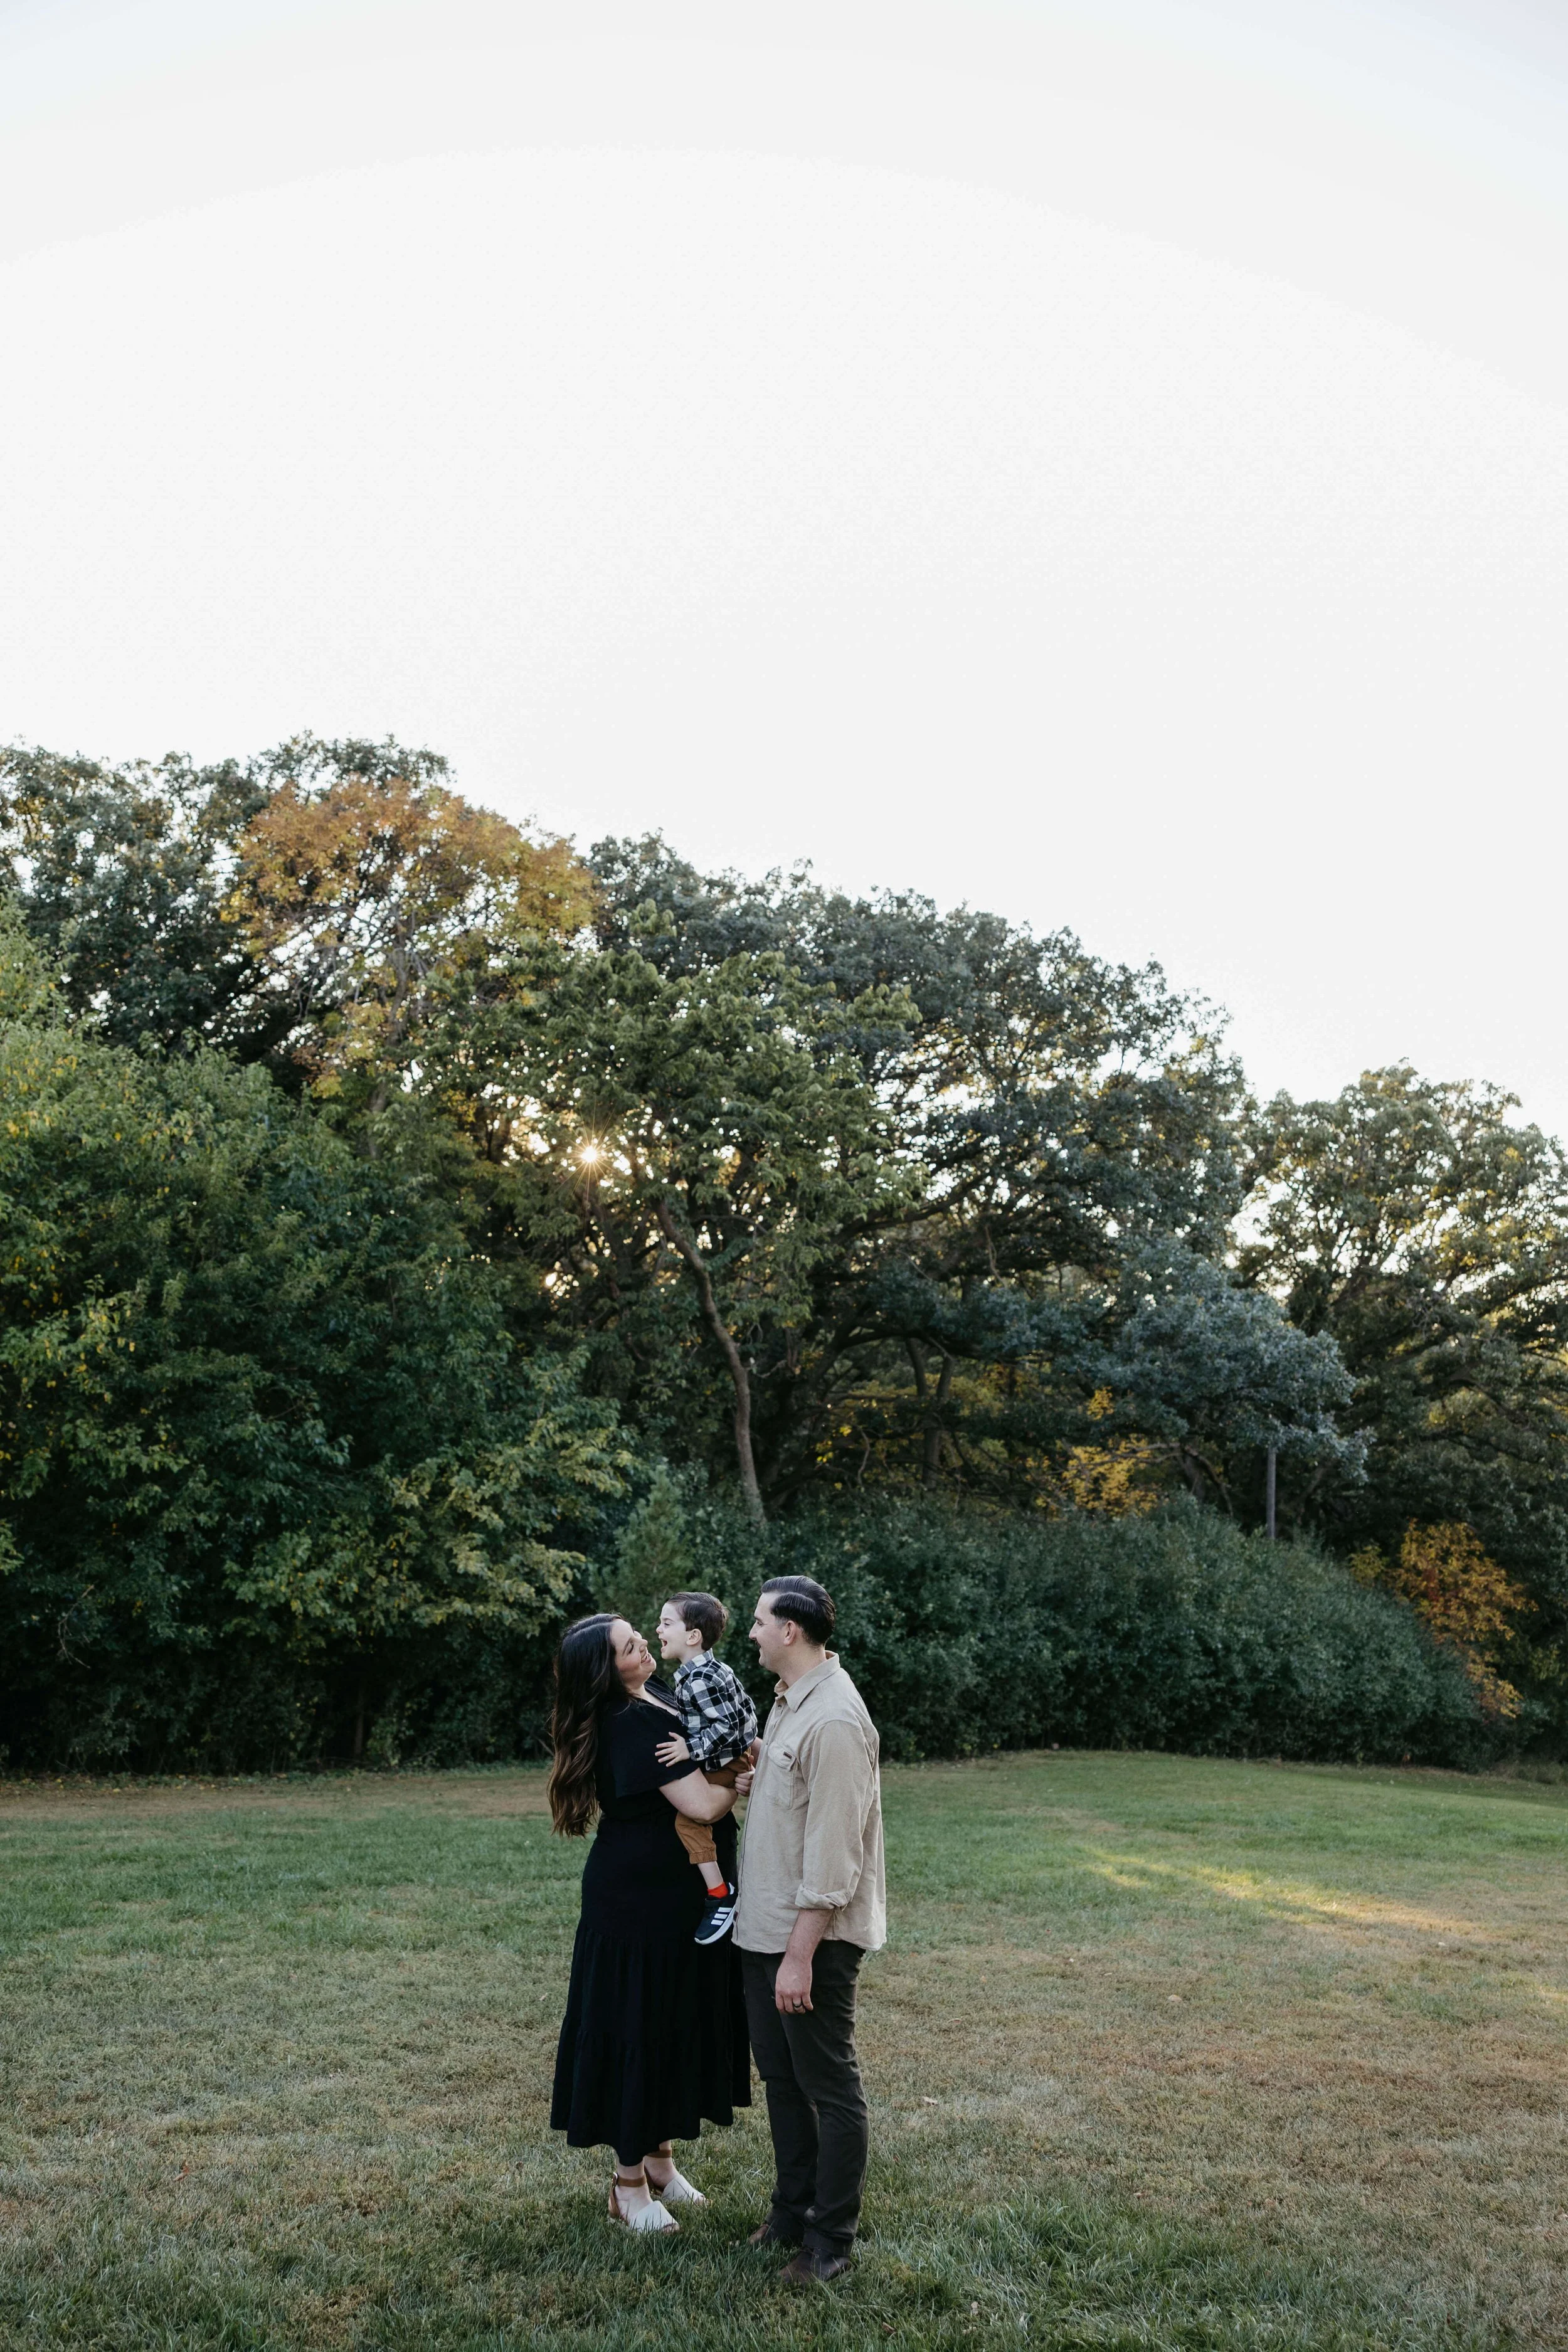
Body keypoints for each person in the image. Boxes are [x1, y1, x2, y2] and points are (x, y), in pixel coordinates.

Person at [548, 1613, 751, 2232]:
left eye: (640, 1636)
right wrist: (739, 1782)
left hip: (681, 1897)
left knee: (672, 2022)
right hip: (638, 1903)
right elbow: (700, 1803)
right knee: (637, 2027)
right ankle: (626, 2186)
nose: (644, 1646)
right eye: (630, 1647)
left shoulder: (655, 1696)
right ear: (607, 1673)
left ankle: (659, 2162)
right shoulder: (628, 1722)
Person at [733, 1575, 885, 2288]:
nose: (754, 1632)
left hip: (810, 1944)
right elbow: (795, 1807)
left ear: (790, 1631)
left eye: (761, 1622)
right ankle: (789, 2214)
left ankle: (829, 2244)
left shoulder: (834, 1720)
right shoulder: (789, 1705)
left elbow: (834, 1861)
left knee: (828, 2088)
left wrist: (799, 1959)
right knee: (785, 2085)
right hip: (762, 1932)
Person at [650, 1591, 760, 1945]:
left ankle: (719, 1893)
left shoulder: (698, 1680)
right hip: (734, 1757)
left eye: (667, 1624)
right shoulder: (715, 1669)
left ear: (693, 1636)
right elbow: (746, 1715)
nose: (658, 1629)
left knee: (688, 1822)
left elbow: (727, 1727)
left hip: (725, 1760)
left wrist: (690, 1748)